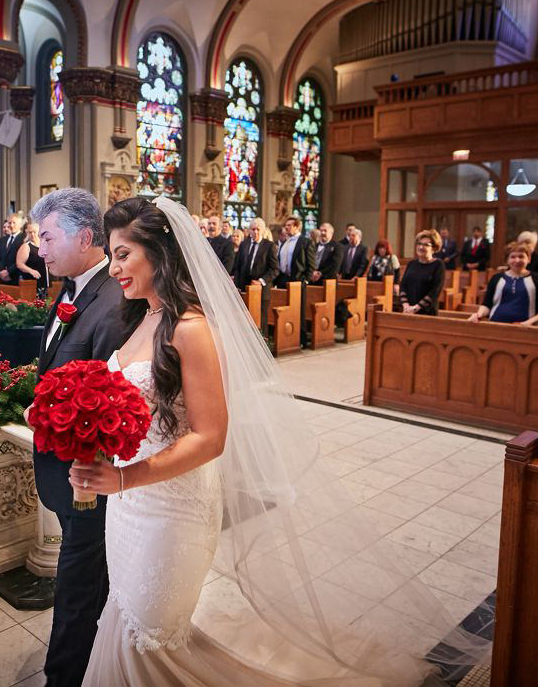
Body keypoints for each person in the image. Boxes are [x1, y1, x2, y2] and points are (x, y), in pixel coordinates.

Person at [72, 196, 489, 685]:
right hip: (127, 509)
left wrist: (125, 476)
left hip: (171, 509)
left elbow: (210, 437)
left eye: (124, 254)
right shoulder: (140, 318)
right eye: (113, 254)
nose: (114, 266)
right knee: (127, 623)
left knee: (149, 637)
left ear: (160, 253)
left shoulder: (192, 329)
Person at [28, 188, 134, 687]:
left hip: (86, 481)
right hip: (65, 473)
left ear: (85, 236)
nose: (39, 250)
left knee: (77, 590)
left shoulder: (110, 303)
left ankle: (64, 679)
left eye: (47, 238)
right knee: (88, 586)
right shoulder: (71, 290)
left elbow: (107, 403)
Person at [468, 241, 538, 325]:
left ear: (528, 259)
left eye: (521, 256)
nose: (517, 260)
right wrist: (478, 314)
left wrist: (527, 323)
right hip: (495, 325)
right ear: (507, 260)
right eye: (513, 257)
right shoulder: (496, 278)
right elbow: (487, 305)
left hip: (525, 329)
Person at [399, 230, 446, 315]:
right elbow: (403, 286)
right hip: (407, 311)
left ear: (434, 248)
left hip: (427, 312)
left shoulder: (438, 265)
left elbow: (435, 291)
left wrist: (416, 307)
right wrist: (405, 305)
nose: (421, 247)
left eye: (426, 245)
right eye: (419, 244)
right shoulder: (411, 264)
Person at [233, 217, 278, 290]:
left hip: (261, 288)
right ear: (249, 230)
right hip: (243, 287)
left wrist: (261, 281)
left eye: (258, 229)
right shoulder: (244, 244)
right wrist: (237, 284)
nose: (255, 232)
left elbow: (274, 269)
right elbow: (237, 266)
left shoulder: (269, 246)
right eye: (253, 229)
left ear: (263, 231)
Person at [275, 215, 316, 286]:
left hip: (298, 280)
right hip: (282, 280)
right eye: (286, 225)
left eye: (289, 225)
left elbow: (311, 264)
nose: (286, 227)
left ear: (296, 227)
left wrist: (306, 280)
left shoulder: (306, 242)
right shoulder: (285, 242)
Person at [15, 221, 49, 299]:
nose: (32, 234)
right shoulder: (26, 246)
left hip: (47, 280)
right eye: (30, 232)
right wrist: (31, 271)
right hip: (33, 282)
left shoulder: (45, 244)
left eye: (34, 232)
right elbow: (19, 264)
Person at [0, 215, 25, 286]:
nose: (11, 225)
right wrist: (2, 271)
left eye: (14, 223)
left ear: (20, 225)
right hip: (2, 278)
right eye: (10, 223)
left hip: (16, 277)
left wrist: (8, 272)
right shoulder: (4, 239)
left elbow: (22, 259)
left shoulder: (24, 239)